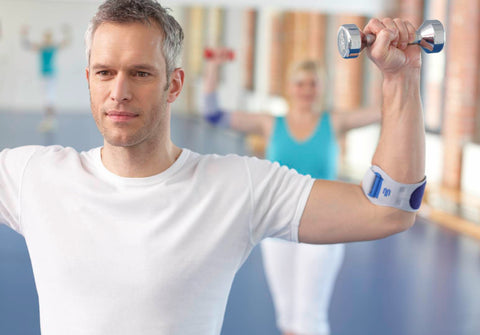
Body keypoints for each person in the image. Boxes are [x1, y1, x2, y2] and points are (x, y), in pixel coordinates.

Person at [0, 1, 425, 334]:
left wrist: (400, 79)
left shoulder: (237, 186)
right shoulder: (33, 176)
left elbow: (388, 209)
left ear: (174, 84)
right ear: (88, 79)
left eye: (141, 73)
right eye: (104, 72)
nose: (120, 91)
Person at [203, 57, 380, 335]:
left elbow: (382, 111)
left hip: (325, 225)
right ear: (289, 87)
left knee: (310, 317)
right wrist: (213, 67)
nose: (306, 90)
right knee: (287, 317)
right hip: (278, 228)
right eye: (300, 83)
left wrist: (382, 66)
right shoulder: (270, 123)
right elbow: (213, 114)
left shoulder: (334, 121)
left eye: (313, 84)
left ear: (322, 88)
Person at [21, 24, 72, 132]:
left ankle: (50, 121)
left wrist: (67, 32)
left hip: (50, 75)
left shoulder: (53, 47)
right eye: (46, 36)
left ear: (51, 38)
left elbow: (66, 43)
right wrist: (24, 34)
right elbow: (27, 45)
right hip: (44, 75)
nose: (47, 39)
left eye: (49, 37)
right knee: (46, 99)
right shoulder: (42, 47)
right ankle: (49, 120)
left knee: (49, 99)